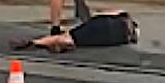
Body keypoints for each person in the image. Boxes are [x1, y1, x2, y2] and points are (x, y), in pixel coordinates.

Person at [9, 11, 139, 53]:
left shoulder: (124, 16)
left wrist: (90, 19)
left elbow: (106, 13)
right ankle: (42, 42)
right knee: (72, 38)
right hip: (108, 37)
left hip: (100, 25)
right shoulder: (125, 37)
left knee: (72, 35)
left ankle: (37, 42)